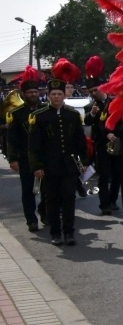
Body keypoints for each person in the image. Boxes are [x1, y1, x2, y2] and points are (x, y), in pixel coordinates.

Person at [29, 77, 88, 246]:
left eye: (59, 94)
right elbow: (33, 145)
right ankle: (55, 232)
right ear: (48, 96)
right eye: (53, 94)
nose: (56, 97)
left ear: (64, 95)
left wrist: (84, 161)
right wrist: (37, 166)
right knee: (52, 200)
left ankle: (69, 232)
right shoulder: (38, 116)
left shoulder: (73, 114)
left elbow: (80, 141)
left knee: (69, 197)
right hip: (49, 166)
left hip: (69, 165)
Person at [5, 68, 47, 232]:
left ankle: (44, 213)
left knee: (47, 189)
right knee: (28, 190)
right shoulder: (16, 114)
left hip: (45, 157)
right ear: (23, 94)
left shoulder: (45, 109)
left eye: (35, 91)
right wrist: (13, 159)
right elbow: (11, 139)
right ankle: (31, 220)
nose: (33, 94)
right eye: (29, 92)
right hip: (25, 158)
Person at [84, 60, 122, 216]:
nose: (93, 94)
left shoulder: (114, 102)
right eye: (90, 92)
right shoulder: (90, 106)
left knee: (117, 175)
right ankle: (104, 204)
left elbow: (121, 120)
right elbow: (87, 122)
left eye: (95, 90)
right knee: (104, 175)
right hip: (101, 145)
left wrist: (116, 134)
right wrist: (92, 113)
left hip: (117, 142)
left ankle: (113, 201)